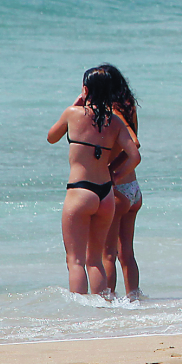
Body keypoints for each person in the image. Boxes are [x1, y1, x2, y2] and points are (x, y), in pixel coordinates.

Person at [47, 65, 138, 295]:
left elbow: (51, 137)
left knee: (75, 261)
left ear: (86, 89)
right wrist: (115, 177)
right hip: (105, 193)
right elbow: (134, 156)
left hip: (80, 191)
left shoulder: (72, 113)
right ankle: (102, 309)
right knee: (95, 261)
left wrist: (77, 103)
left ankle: (82, 318)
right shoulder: (115, 122)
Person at [100, 72, 144, 302]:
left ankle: (108, 303)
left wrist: (112, 173)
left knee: (108, 253)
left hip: (119, 190)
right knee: (126, 252)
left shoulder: (115, 112)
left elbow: (134, 144)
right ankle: (133, 300)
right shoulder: (129, 108)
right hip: (134, 189)